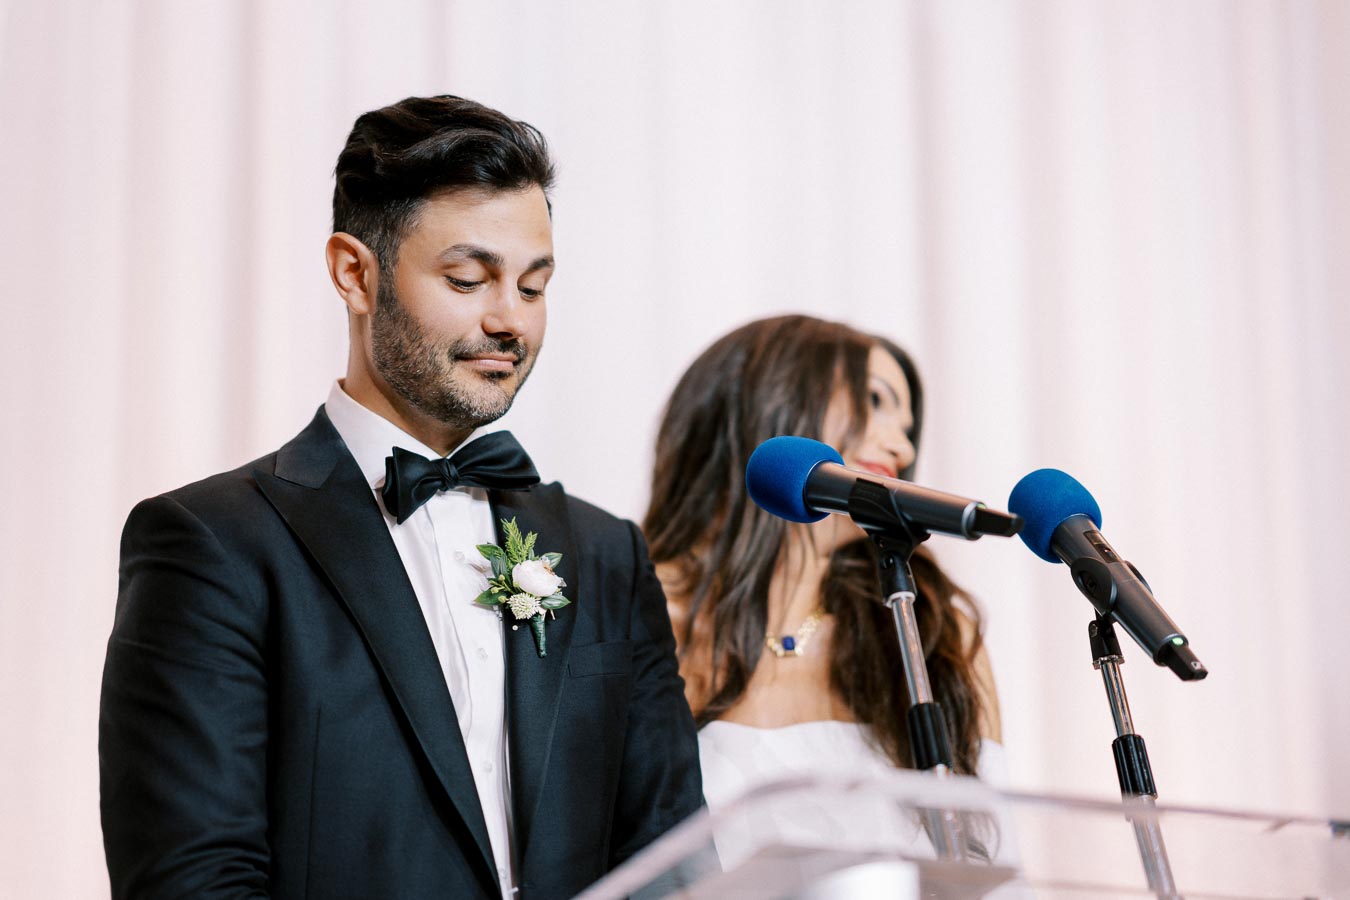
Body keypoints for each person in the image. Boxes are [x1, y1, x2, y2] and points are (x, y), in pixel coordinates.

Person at [99, 95, 702, 900]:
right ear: (355, 273)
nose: (510, 320)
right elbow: (192, 879)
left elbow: (674, 860)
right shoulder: (213, 544)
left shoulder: (605, 552)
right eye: (468, 279)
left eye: (533, 286)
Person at [642, 314, 1005, 859]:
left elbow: (996, 859)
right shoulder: (638, 615)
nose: (902, 448)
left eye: (907, 428)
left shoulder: (930, 627)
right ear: (772, 396)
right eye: (876, 401)